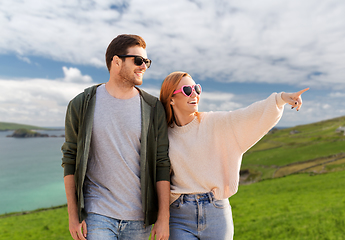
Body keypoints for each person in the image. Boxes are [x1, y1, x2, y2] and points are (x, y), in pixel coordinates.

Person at [159, 71, 309, 239]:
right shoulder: (163, 134)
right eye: (187, 90)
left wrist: (280, 98)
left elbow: (246, 116)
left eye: (197, 89)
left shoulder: (214, 123)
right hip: (179, 216)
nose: (194, 94)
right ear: (171, 99)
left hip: (216, 213)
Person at [61, 34, 171, 240]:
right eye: (138, 60)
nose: (144, 66)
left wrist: (163, 217)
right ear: (116, 61)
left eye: (147, 61)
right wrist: (72, 215)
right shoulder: (81, 104)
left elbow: (161, 163)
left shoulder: (153, 108)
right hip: (97, 212)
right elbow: (70, 159)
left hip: (139, 218)